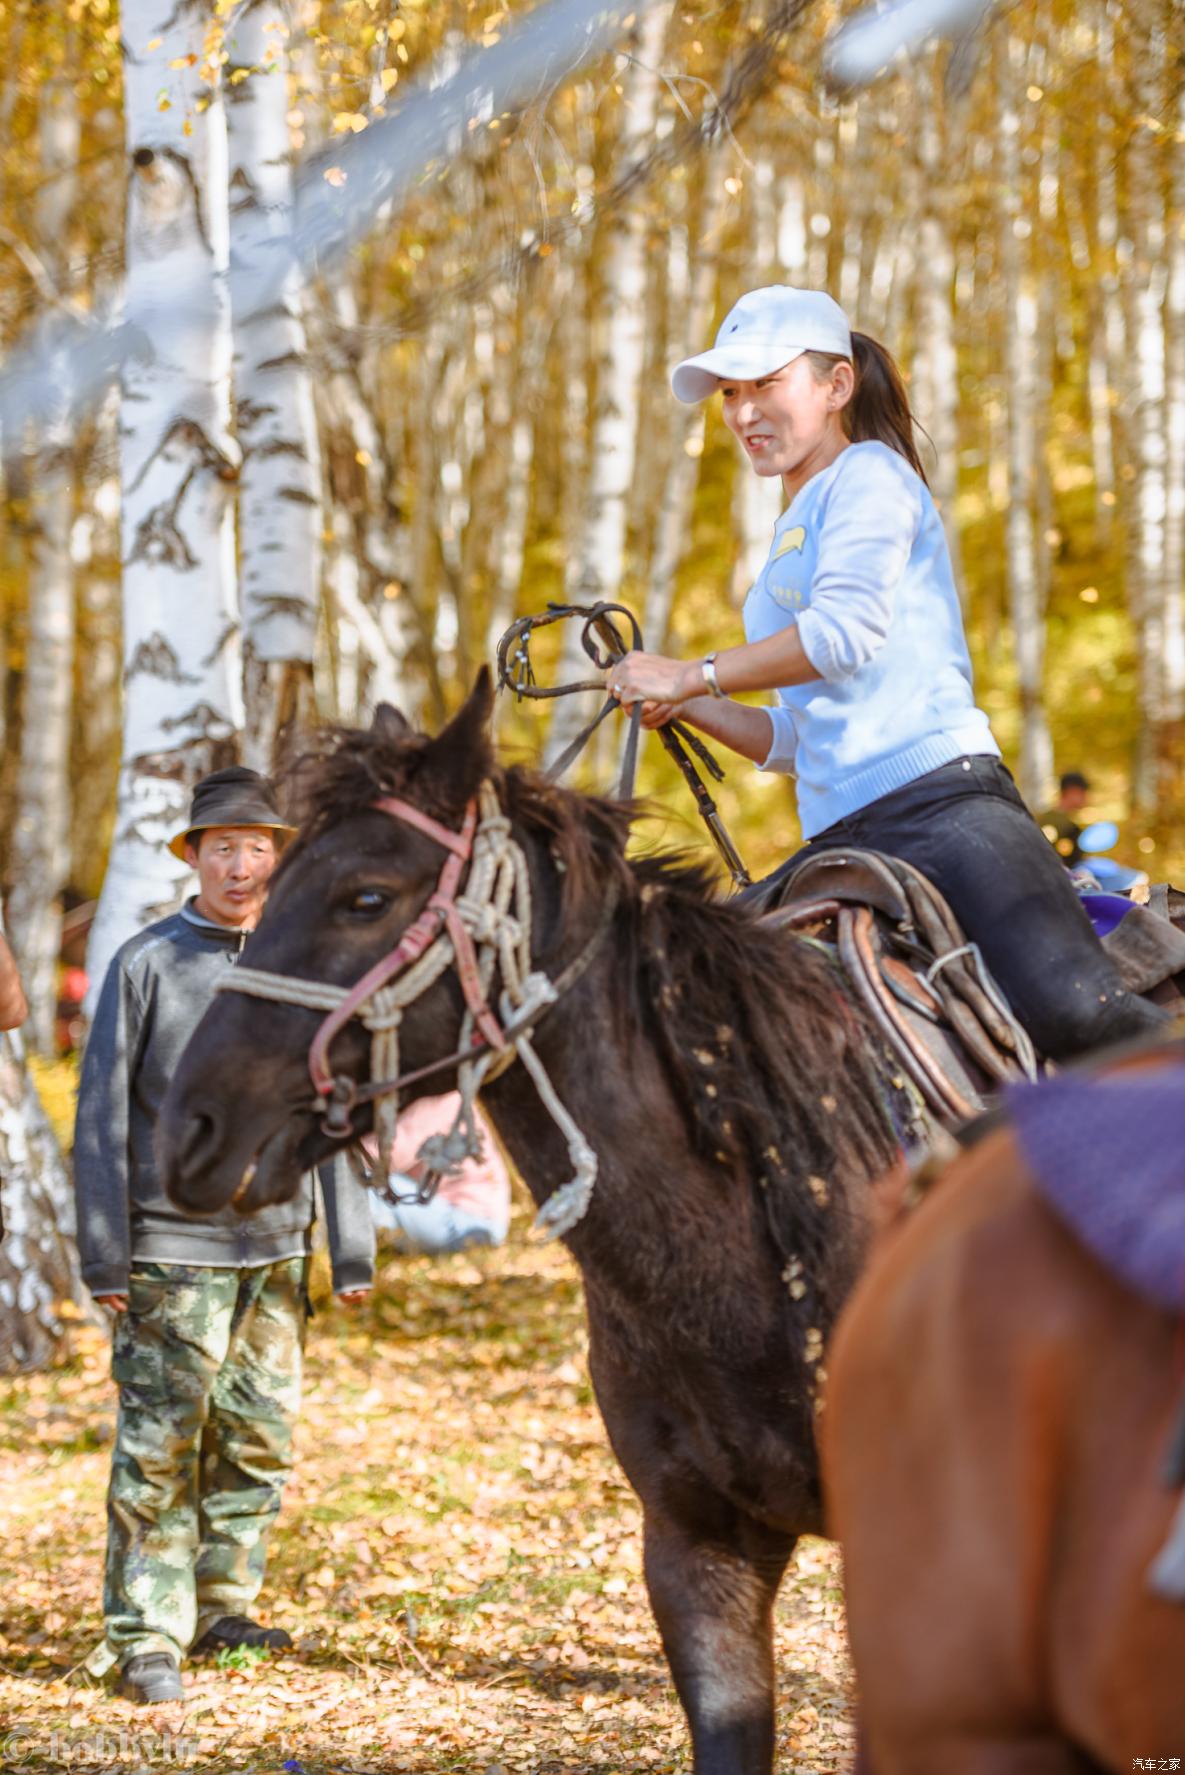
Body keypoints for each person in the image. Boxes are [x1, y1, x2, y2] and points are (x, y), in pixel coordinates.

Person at [605, 285, 1167, 1062]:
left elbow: (841, 636)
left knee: (1079, 1017)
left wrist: (690, 675)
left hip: (943, 805)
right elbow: (798, 738)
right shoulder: (783, 542)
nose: (741, 412)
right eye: (730, 394)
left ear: (835, 387)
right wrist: (682, 706)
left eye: (765, 384)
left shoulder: (871, 475)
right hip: (838, 836)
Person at [74, 768, 376, 1706]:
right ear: (193, 857)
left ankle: (220, 1608)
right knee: (161, 1446)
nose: (241, 864)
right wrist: (102, 1250)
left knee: (255, 1438)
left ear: (276, 856)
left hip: (278, 1252)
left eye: (256, 847)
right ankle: (145, 1636)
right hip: (171, 1251)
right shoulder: (145, 963)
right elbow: (100, 1116)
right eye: (222, 847)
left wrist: (350, 1243)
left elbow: (333, 1104)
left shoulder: (304, 965)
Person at [369, 1093, 511, 1254]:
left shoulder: (440, 1099)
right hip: (477, 1220)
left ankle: (354, 1251)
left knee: (353, 1176)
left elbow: (388, 1155)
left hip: (465, 1222)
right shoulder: (453, 1095)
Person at [1038, 770, 1091, 867]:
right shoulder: (1058, 823)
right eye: (1082, 793)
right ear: (1072, 791)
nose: (1086, 798)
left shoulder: (1057, 819)